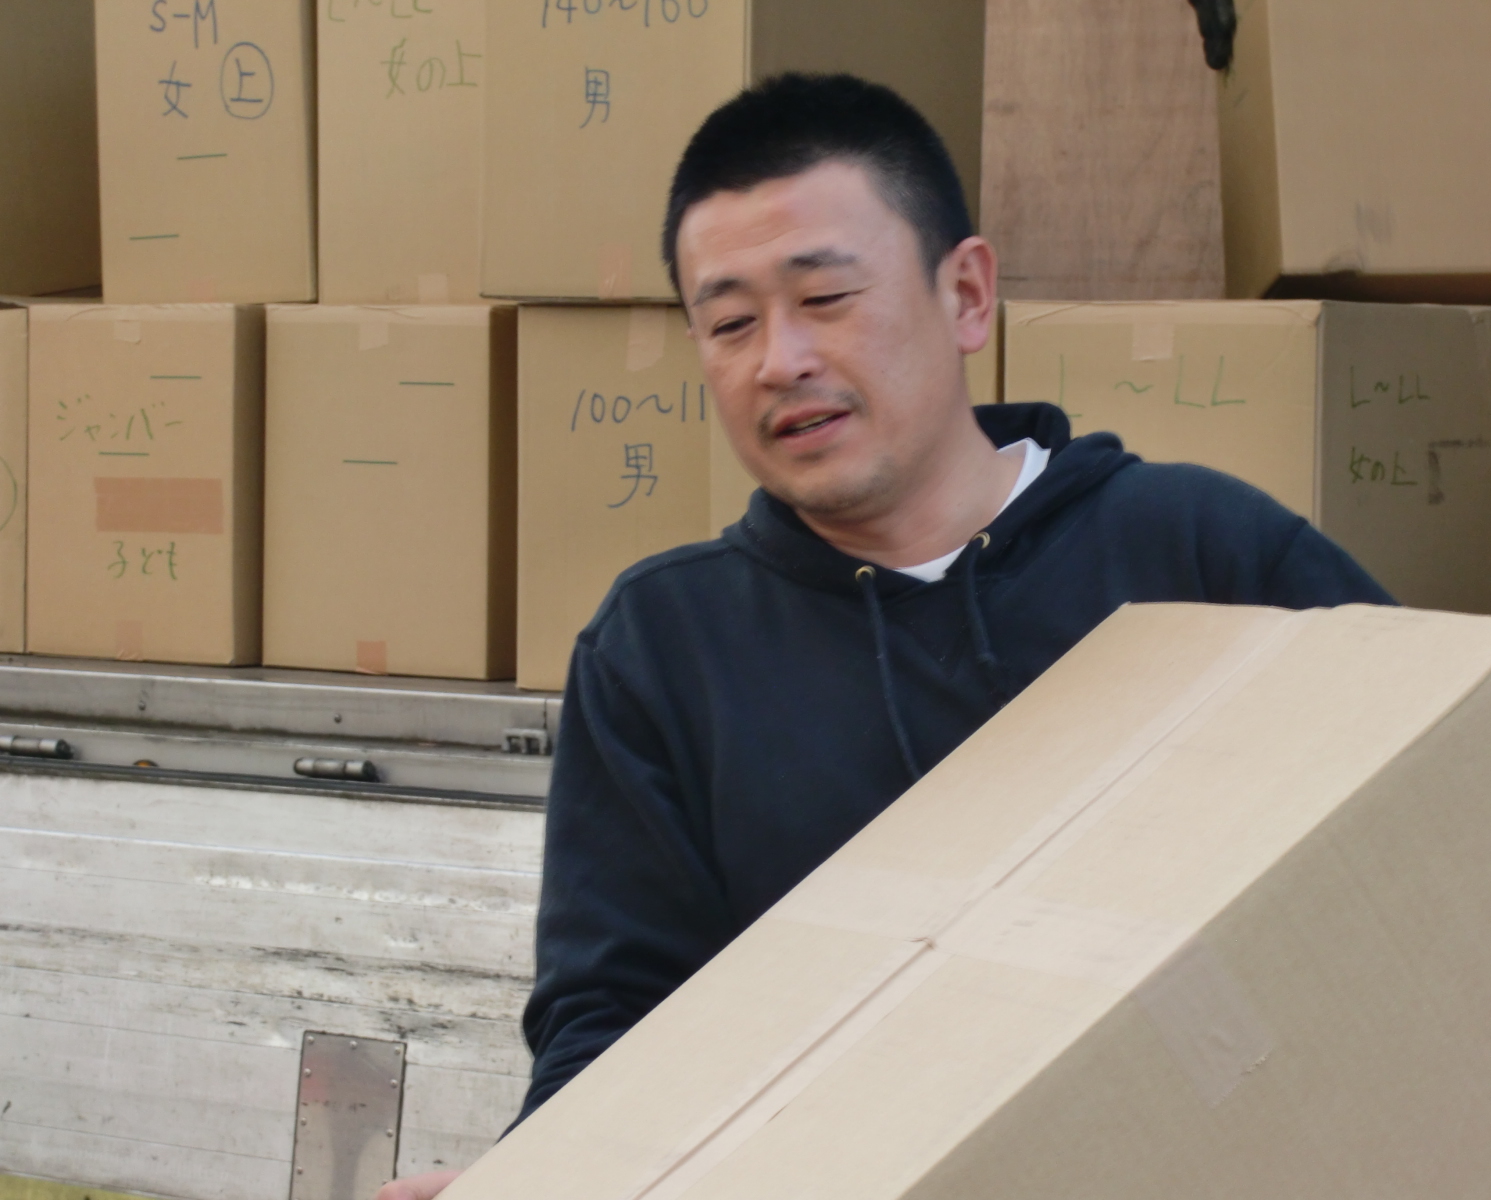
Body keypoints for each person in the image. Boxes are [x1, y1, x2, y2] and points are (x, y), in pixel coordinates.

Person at [377, 72, 1391, 1200]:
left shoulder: (1201, 554)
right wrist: (547, 1179)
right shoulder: (664, 647)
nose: (779, 360)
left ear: (967, 296)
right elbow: (615, 1015)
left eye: (825, 297)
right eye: (729, 323)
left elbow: (1423, 841)